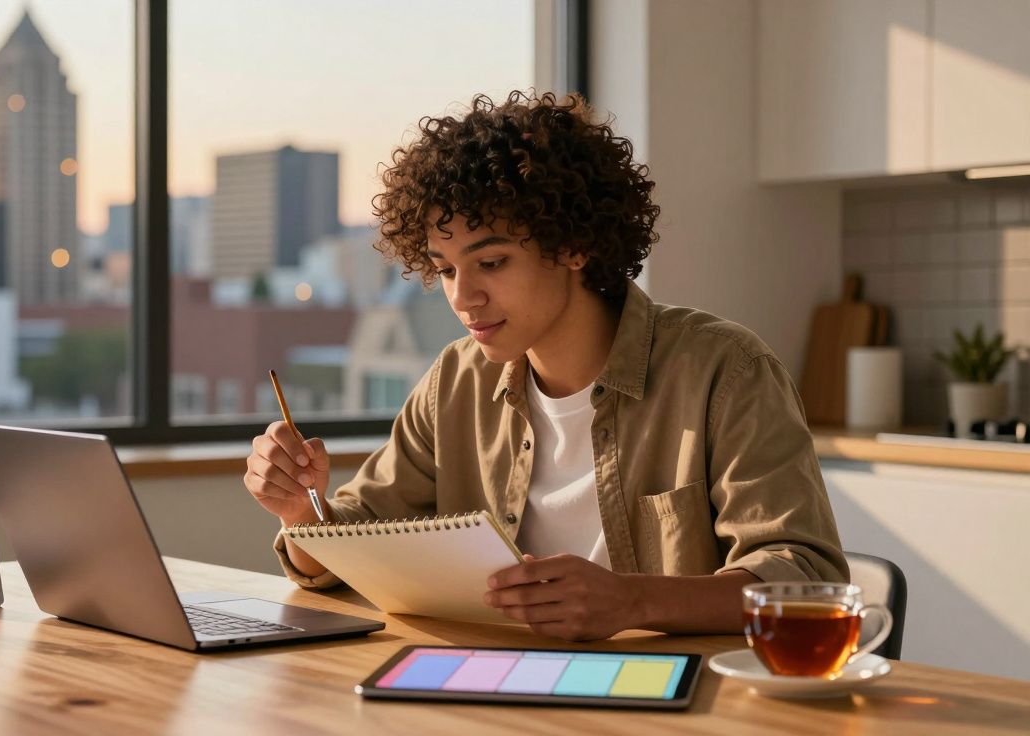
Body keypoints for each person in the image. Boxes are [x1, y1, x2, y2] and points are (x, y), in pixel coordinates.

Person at [242, 90, 847, 642]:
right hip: (500, 685)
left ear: (574, 245)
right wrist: (301, 512)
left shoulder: (724, 371)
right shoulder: (455, 382)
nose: (462, 297)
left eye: (492, 263)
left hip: (679, 695)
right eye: (446, 269)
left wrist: (634, 600)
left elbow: (805, 578)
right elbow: (355, 537)